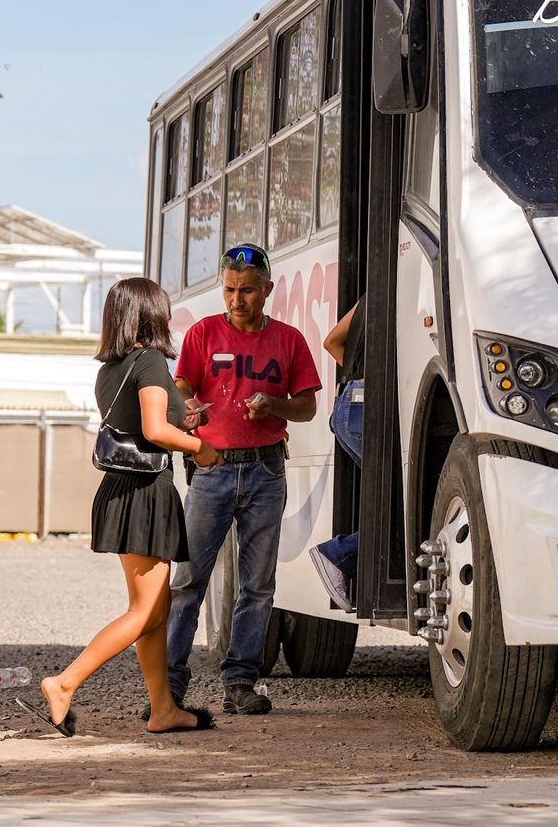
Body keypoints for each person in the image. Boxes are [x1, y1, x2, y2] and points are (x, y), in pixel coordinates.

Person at [21, 277, 219, 737]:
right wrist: (197, 445)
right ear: (151, 314)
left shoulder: (111, 368)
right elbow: (153, 431)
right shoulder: (149, 359)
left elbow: (140, 420)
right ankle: (64, 682)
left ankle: (163, 709)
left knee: (154, 608)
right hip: (146, 492)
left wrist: (181, 416)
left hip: (120, 488)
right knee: (146, 612)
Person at [166, 244, 322, 716]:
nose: (238, 300)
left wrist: (274, 405)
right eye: (231, 290)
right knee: (189, 578)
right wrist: (188, 405)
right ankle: (169, 683)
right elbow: (183, 385)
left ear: (267, 290)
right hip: (211, 470)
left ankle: (240, 681)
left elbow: (309, 405)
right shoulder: (202, 334)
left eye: (248, 291)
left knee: (257, 584)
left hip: (266, 469)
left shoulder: (289, 341)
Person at [309, 298, 364, 610]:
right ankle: (337, 554)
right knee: (404, 508)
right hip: (367, 409)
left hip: (346, 404)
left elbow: (332, 341)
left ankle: (340, 555)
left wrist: (358, 372)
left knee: (390, 501)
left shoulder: (371, 297)